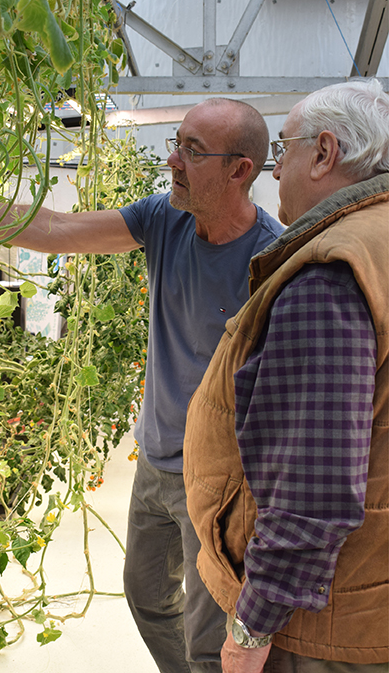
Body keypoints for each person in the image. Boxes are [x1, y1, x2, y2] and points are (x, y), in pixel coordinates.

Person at [0, 97, 284, 672]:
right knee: (148, 595)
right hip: (154, 460)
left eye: (193, 151)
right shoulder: (164, 218)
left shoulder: (270, 262)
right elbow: (56, 228)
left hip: (220, 479)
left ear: (240, 170)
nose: (174, 161)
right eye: (174, 143)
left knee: (210, 637)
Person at [184, 78, 389, 673]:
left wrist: (251, 631)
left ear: (324, 154)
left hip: (319, 622)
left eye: (285, 150)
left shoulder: (331, 273)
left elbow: (314, 493)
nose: (275, 173)